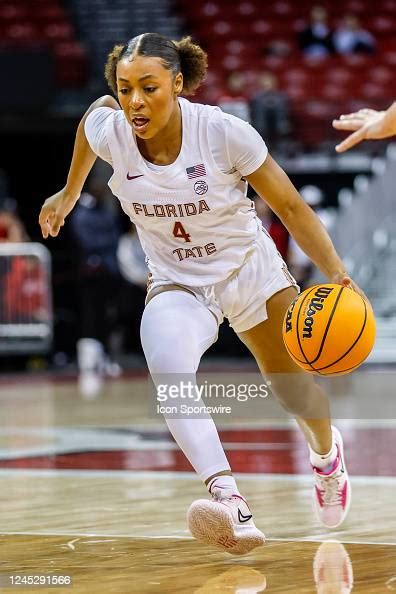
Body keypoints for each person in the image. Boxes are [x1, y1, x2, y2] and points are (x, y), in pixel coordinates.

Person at [39, 33, 361, 555]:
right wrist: (69, 192)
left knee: (292, 391)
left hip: (248, 269)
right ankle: (228, 500)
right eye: (125, 89)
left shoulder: (222, 133)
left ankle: (327, 457)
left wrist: (338, 275)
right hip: (178, 282)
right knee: (167, 368)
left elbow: (292, 208)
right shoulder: (112, 130)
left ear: (179, 83)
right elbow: (91, 118)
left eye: (149, 87)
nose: (135, 101)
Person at [70, 175, 122, 396]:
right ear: (93, 185)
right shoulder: (81, 212)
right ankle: (90, 359)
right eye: (100, 184)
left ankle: (107, 357)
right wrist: (107, 242)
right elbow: (89, 240)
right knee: (92, 315)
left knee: (110, 315)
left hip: (110, 271)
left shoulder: (103, 210)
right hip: (92, 273)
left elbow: (114, 233)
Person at [250, 72, 290, 146]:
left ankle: (280, 136)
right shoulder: (256, 96)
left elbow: (283, 110)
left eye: (269, 83)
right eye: (265, 83)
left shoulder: (281, 96)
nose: (267, 85)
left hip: (277, 121)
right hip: (262, 122)